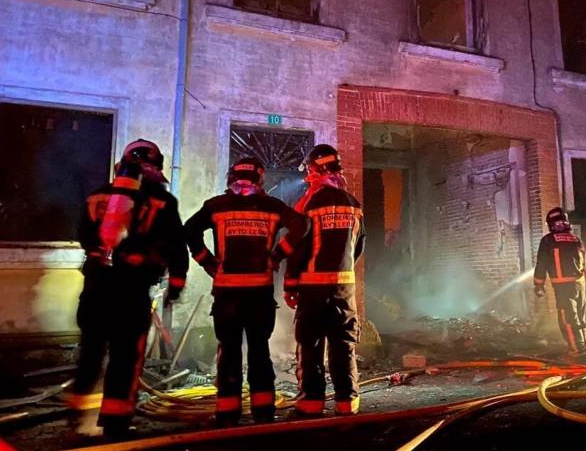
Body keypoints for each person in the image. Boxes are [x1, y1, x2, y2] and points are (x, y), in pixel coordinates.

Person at [68, 139, 188, 439]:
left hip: (95, 289)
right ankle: (116, 423)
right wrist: (176, 283)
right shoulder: (164, 201)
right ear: (157, 167)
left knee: (91, 352)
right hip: (131, 292)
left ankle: (76, 411)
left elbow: (83, 235)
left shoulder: (97, 196)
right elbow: (176, 245)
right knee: (125, 357)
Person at [184, 156, 308, 425]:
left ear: (230, 178)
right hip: (259, 297)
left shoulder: (217, 206)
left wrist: (207, 262)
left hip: (227, 296)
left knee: (228, 353)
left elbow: (189, 230)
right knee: (259, 353)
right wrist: (277, 255)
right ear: (260, 179)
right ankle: (263, 414)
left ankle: (227, 416)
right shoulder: (271, 206)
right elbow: (302, 225)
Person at [271, 144, 366, 416]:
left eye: (311, 171)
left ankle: (310, 405)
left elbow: (298, 248)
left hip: (313, 290)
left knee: (311, 346)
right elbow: (358, 247)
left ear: (317, 170)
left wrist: (290, 284)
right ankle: (347, 404)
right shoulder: (354, 205)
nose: (309, 176)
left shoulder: (308, 204)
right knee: (343, 345)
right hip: (344, 290)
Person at [533, 207, 586, 354]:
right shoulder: (577, 239)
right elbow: (585, 263)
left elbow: (541, 263)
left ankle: (577, 349)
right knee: (580, 315)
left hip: (563, 286)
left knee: (567, 318)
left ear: (551, 224)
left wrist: (539, 285)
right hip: (580, 284)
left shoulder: (547, 241)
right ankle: (584, 341)